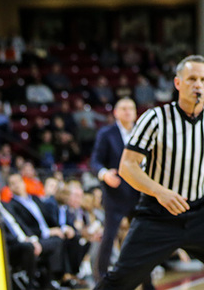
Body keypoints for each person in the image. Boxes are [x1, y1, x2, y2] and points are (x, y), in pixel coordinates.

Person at [95, 55, 204, 290]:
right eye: (192, 79)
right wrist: (160, 192)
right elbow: (127, 166)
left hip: (199, 214)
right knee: (120, 280)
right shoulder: (155, 118)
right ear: (178, 83)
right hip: (157, 215)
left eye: (203, 80)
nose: (197, 84)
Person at [89, 98, 152, 289]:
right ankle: (100, 280)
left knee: (143, 239)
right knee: (109, 237)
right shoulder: (106, 133)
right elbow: (95, 162)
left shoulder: (142, 132)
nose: (128, 112)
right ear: (116, 112)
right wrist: (104, 174)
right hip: (115, 194)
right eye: (123, 109)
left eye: (131, 108)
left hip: (139, 193)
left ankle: (147, 282)